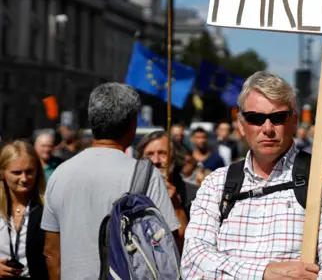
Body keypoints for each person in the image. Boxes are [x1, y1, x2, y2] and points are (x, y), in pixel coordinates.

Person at [181, 71, 322, 279]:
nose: (267, 128)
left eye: (277, 118)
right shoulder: (216, 184)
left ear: (294, 121)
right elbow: (192, 264)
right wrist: (263, 272)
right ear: (241, 124)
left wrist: (228, 269)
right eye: (255, 118)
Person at [40, 83, 181, 280]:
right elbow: (169, 249)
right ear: (132, 125)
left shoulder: (59, 174)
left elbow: (51, 251)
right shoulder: (146, 175)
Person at [136, 130, 196, 251]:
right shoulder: (135, 194)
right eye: (149, 154)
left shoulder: (195, 194)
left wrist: (175, 205)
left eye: (163, 154)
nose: (156, 160)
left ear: (175, 157)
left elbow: (188, 245)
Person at [0, 141, 49, 279]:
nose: (24, 178)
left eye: (29, 171)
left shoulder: (47, 208)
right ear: (2, 173)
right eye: (17, 172)